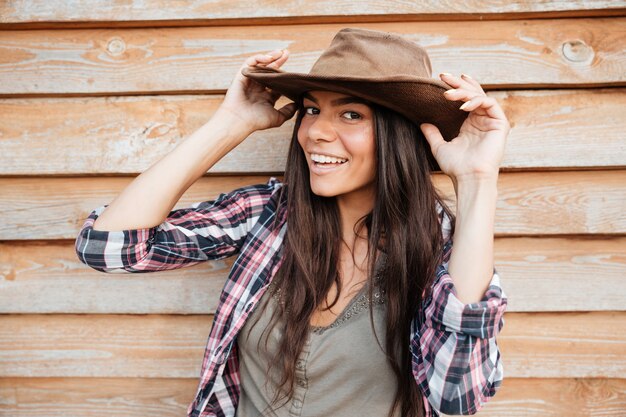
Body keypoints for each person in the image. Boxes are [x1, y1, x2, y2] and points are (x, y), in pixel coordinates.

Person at [75, 28, 509, 417]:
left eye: (351, 114)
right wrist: (230, 124)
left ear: (400, 135)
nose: (316, 131)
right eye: (311, 109)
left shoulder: (447, 251)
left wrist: (476, 181)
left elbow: (458, 393)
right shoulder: (269, 214)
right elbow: (109, 248)